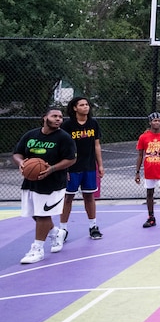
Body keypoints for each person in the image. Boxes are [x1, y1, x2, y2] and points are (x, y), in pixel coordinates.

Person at [12, 107, 78, 264]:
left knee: (42, 215)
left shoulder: (64, 138)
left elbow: (71, 159)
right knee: (35, 214)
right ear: (44, 118)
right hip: (31, 180)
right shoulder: (31, 135)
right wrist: (21, 163)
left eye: (60, 117)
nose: (58, 119)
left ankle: (37, 249)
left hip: (53, 183)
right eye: (54, 116)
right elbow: (17, 153)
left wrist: (52, 168)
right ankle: (56, 233)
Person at [58, 96, 104, 244]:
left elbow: (97, 145)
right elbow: (61, 147)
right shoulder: (67, 125)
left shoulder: (93, 123)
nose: (86, 107)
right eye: (82, 105)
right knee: (68, 198)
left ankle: (93, 226)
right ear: (75, 108)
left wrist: (100, 165)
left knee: (89, 197)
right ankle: (63, 229)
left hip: (89, 166)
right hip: (71, 168)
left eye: (87, 104)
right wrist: (63, 168)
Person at [135, 112, 160, 229]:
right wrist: (137, 172)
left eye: (159, 120)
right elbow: (140, 155)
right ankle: (151, 217)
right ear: (150, 122)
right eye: (154, 120)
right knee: (149, 193)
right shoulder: (144, 137)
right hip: (149, 170)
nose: (156, 122)